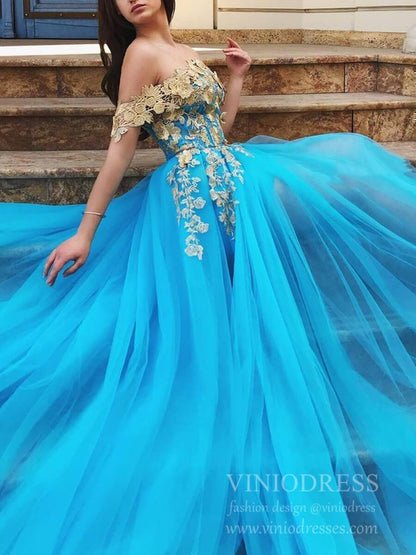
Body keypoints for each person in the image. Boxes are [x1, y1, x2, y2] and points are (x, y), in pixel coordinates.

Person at [0, 0, 416, 553]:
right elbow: (121, 150)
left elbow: (217, 130)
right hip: (193, 196)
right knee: (348, 170)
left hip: (231, 172)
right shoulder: (141, 54)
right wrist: (85, 232)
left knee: (349, 163)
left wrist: (236, 79)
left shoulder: (184, 50)